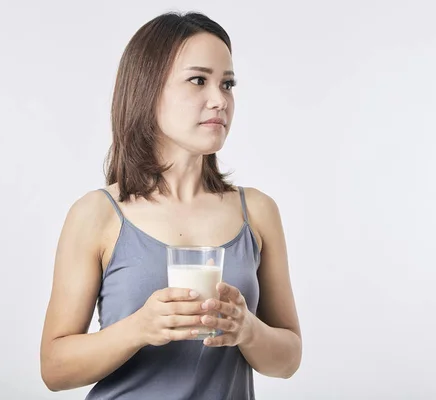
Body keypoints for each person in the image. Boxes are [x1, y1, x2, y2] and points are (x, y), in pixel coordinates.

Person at [39, 11, 302, 400]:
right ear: (148, 90)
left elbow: (288, 359)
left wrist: (248, 329)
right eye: (198, 80)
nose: (220, 100)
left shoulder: (258, 212)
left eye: (227, 84)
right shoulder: (96, 215)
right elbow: (54, 369)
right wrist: (139, 328)